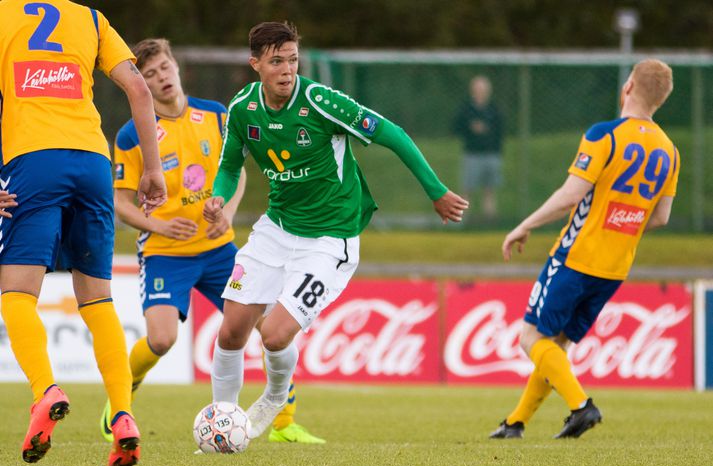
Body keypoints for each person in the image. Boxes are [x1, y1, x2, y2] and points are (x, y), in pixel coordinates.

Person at [203, 21, 468, 440]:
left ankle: (275, 397)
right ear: (255, 64)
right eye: (276, 61)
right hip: (277, 228)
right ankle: (222, 424)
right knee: (232, 328)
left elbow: (392, 133)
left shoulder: (321, 101)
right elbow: (230, 166)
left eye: (292, 59)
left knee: (273, 337)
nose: (287, 69)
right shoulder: (241, 109)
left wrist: (435, 191)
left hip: (329, 239)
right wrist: (218, 198)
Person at [104, 38, 325, 445]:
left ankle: (283, 421)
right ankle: (121, 397)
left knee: (271, 326)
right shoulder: (133, 134)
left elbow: (237, 170)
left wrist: (228, 210)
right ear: (141, 82)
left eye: (165, 67)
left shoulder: (216, 115)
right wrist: (159, 227)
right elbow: (119, 201)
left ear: (177, 66)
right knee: (162, 339)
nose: (161, 77)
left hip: (220, 248)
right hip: (165, 253)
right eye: (149, 74)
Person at [0, 0, 167, 466]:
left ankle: (44, 391)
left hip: (34, 160)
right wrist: (152, 169)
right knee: (97, 299)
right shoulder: (91, 18)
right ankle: (122, 415)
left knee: (15, 291)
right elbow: (138, 88)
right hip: (93, 161)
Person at [490, 59, 678, 439]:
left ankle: (581, 406)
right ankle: (516, 422)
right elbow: (661, 218)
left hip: (576, 256)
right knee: (557, 345)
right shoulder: (670, 151)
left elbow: (570, 196)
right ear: (662, 100)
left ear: (628, 86)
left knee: (531, 339)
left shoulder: (604, 135)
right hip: (615, 265)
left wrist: (525, 225)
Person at [452, 75, 503, 222]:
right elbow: (456, 128)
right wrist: (471, 128)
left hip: (491, 154)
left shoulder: (494, 110)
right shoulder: (466, 110)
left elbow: (500, 131)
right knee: (467, 189)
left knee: (489, 190)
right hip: (472, 154)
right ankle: (463, 221)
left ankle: (489, 221)